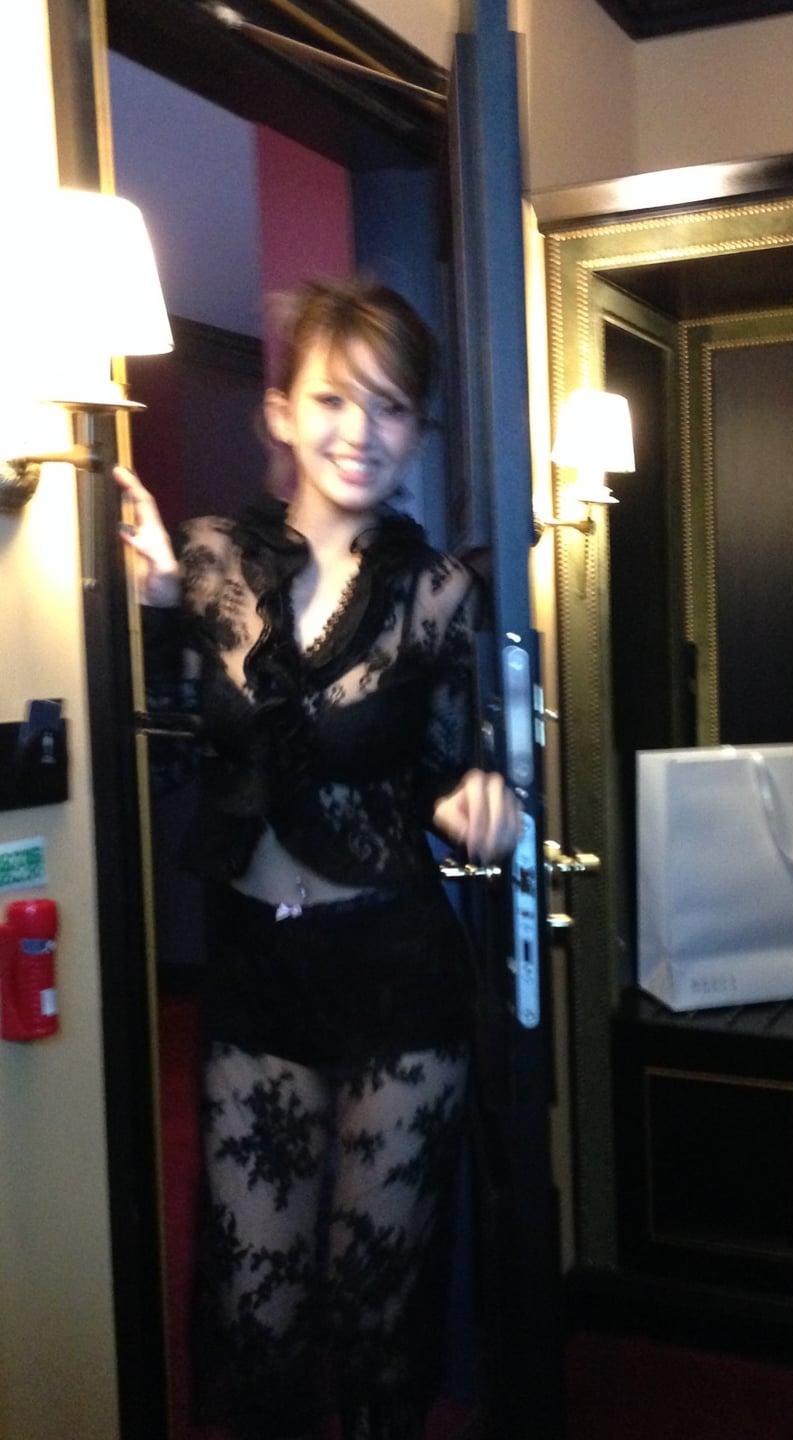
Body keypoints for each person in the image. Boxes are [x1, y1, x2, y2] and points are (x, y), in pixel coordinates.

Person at [115, 275, 521, 1440]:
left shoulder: (437, 592)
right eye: (335, 398)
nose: (361, 430)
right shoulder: (205, 562)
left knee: (372, 1308)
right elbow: (158, 763)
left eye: (391, 407)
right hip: (254, 979)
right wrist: (150, 605)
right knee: (258, 1306)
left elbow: (444, 769)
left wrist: (478, 807)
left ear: (416, 433)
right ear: (282, 412)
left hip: (396, 976)